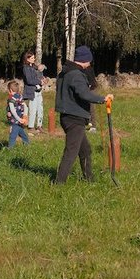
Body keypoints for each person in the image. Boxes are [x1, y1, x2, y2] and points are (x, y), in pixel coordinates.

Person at [54, 46, 112, 184]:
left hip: (68, 116)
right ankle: (58, 183)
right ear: (85, 60)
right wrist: (102, 99)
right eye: (89, 60)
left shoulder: (65, 72)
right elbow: (84, 94)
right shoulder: (76, 74)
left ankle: (89, 179)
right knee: (71, 152)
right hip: (74, 118)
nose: (90, 64)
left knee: (85, 150)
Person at [21, 51, 46, 134]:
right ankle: (31, 127)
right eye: (32, 58)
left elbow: (39, 75)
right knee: (33, 109)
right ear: (27, 59)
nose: (34, 59)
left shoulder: (34, 67)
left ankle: (39, 126)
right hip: (32, 92)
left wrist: (43, 79)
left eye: (34, 57)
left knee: (40, 109)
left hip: (39, 91)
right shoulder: (25, 68)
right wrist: (39, 81)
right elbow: (29, 80)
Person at [6, 80, 30, 148]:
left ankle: (10, 148)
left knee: (12, 135)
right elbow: (25, 106)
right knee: (21, 132)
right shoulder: (20, 96)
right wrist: (25, 115)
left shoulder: (11, 99)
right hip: (20, 119)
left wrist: (19, 119)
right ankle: (27, 144)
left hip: (15, 120)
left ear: (10, 90)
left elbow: (13, 111)